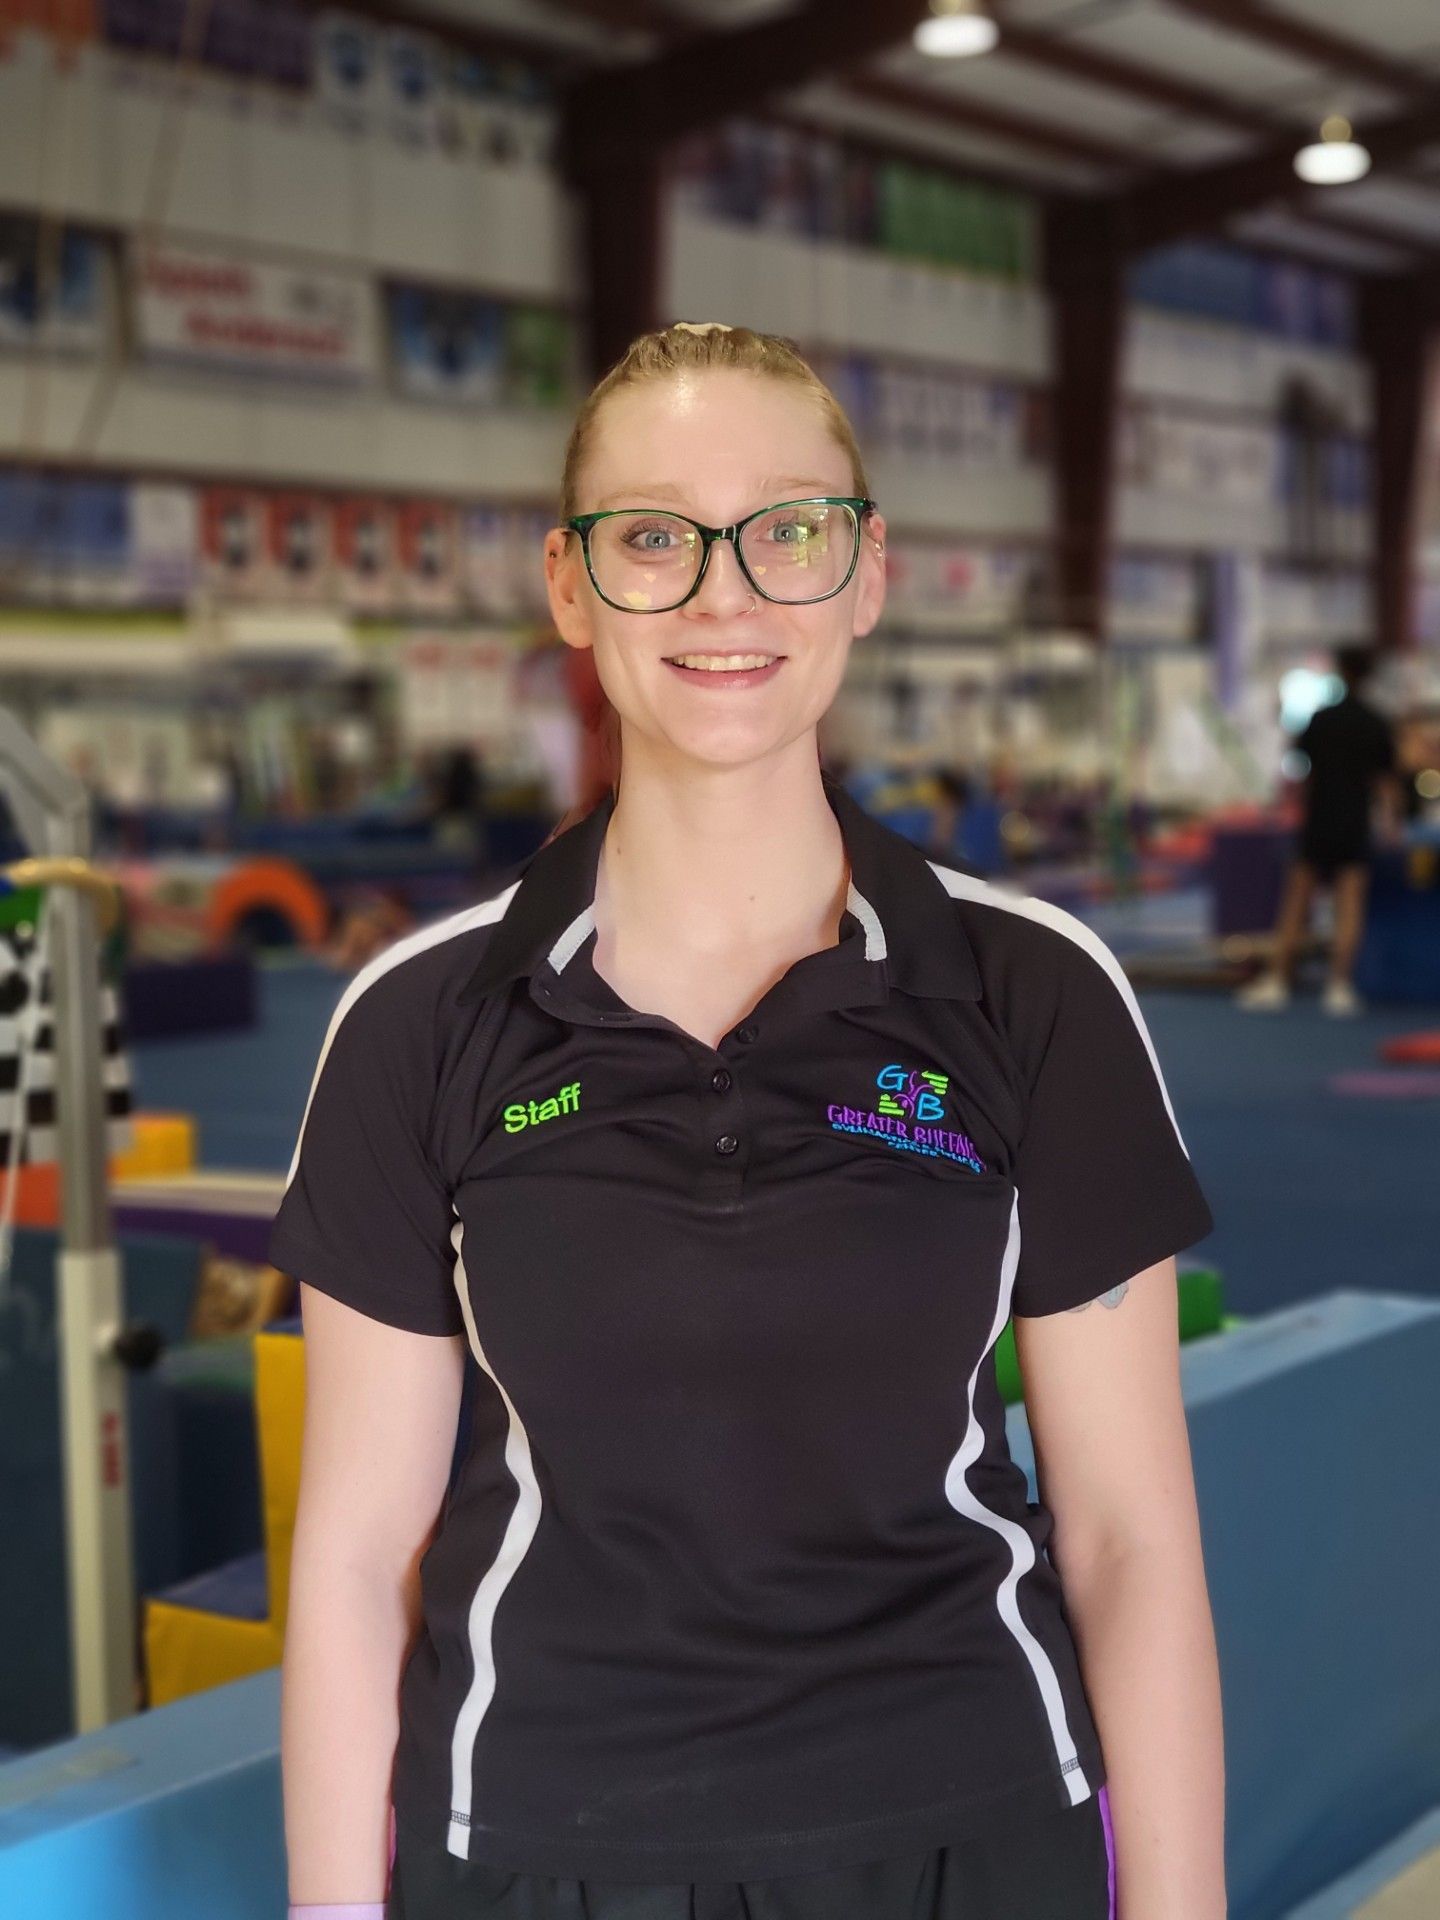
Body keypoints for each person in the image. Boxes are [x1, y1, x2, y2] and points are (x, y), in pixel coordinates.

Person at [272, 321, 1225, 1920]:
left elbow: (1130, 1537)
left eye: (788, 531)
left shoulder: (1031, 991)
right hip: (539, 1850)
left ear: (866, 573)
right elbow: (360, 1556)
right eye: (655, 538)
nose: (726, 595)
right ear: (571, 586)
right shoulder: (418, 1023)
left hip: (972, 1834)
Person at [1237, 644, 1402, 1016]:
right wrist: (1392, 827)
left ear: (1341, 672)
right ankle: (1338, 985)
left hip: (1319, 821)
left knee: (1296, 902)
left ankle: (1278, 980)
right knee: (1349, 905)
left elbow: (1302, 776)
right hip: (1354, 823)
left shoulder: (1321, 719)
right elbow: (1386, 784)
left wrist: (1286, 809)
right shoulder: (1376, 722)